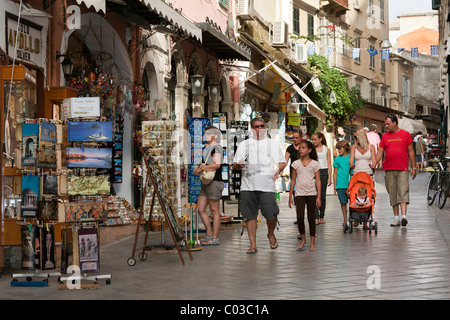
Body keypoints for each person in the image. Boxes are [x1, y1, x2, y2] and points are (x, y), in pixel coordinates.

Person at [233, 117, 286, 254]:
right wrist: (239, 164)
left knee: (271, 214)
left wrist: (277, 171)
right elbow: (235, 165)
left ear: (265, 128)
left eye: (262, 126)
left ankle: (270, 234)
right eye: (256, 126)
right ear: (252, 128)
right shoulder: (244, 145)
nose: (259, 129)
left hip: (267, 186)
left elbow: (281, 162)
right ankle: (253, 244)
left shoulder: (272, 144)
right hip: (247, 186)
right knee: (250, 216)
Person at [375, 114, 417, 227]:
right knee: (392, 192)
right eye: (385, 124)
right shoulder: (384, 136)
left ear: (395, 123)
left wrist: (414, 167)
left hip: (402, 168)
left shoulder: (406, 134)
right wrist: (374, 163)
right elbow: (380, 151)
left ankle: (404, 216)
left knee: (403, 191)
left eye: (388, 124)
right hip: (388, 168)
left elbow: (411, 151)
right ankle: (396, 218)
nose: (386, 126)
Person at [193, 126, 224, 245]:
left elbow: (217, 165)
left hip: (214, 182)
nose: (204, 136)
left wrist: (201, 168)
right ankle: (209, 234)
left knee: (214, 210)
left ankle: (215, 237)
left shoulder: (217, 148)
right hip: (206, 182)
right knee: (200, 209)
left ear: (215, 136)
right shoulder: (208, 148)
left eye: (208, 134)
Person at [288, 140, 321, 251]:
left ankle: (312, 242)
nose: (300, 149)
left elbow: (318, 180)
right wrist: (290, 195)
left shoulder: (315, 164)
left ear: (309, 150)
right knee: (300, 217)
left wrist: (319, 197)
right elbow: (293, 180)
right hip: (299, 193)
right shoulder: (296, 164)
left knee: (311, 218)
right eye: (300, 148)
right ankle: (303, 239)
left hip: (312, 193)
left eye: (303, 148)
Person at [312, 132, 332, 225]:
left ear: (320, 139)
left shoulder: (326, 149)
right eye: (313, 139)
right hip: (313, 172)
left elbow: (329, 163)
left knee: (322, 195)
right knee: (314, 194)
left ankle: (322, 216)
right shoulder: (311, 149)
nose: (313, 141)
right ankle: (315, 216)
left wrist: (330, 177)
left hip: (323, 172)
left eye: (315, 139)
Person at [332, 140, 351, 226]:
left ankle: (352, 218)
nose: (338, 151)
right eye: (338, 149)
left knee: (352, 202)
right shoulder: (337, 159)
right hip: (340, 184)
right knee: (343, 202)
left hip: (350, 183)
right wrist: (335, 186)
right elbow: (335, 173)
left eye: (340, 149)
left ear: (345, 148)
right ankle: (345, 219)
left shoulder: (351, 157)